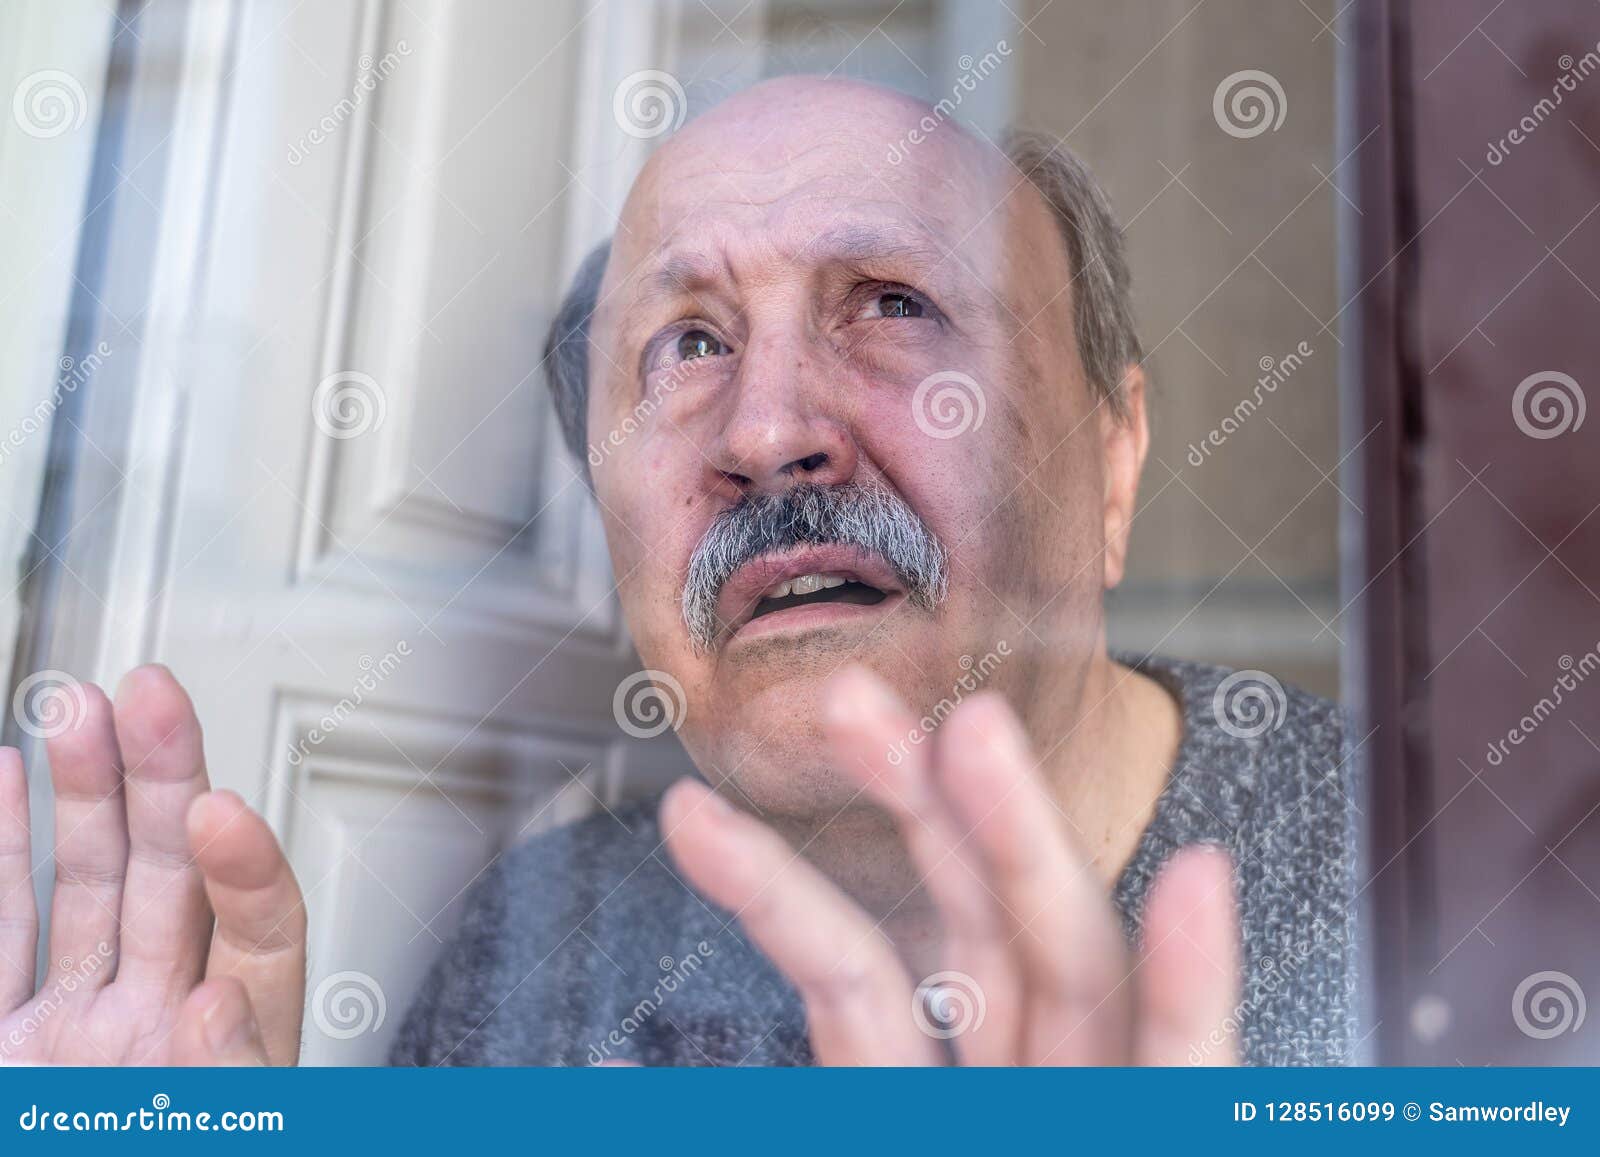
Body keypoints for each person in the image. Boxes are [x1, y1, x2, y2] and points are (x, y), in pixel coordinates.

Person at [0, 76, 1353, 1068]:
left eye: (894, 304)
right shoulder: (538, 941)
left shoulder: (1450, 881)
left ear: (1111, 460)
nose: (767, 434)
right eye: (688, 345)